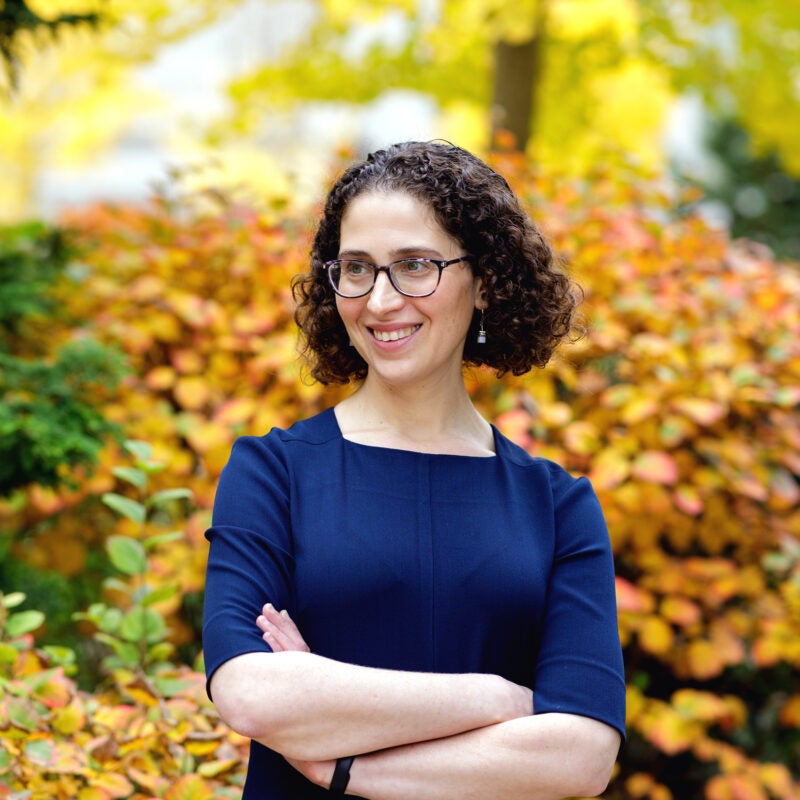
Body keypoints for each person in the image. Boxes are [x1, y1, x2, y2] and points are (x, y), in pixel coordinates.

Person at [202, 140, 625, 799]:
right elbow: (251, 692)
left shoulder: (558, 505)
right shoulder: (271, 474)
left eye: (415, 266)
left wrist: (345, 762)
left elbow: (582, 754)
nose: (379, 300)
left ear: (485, 279)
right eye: (357, 268)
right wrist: (494, 698)